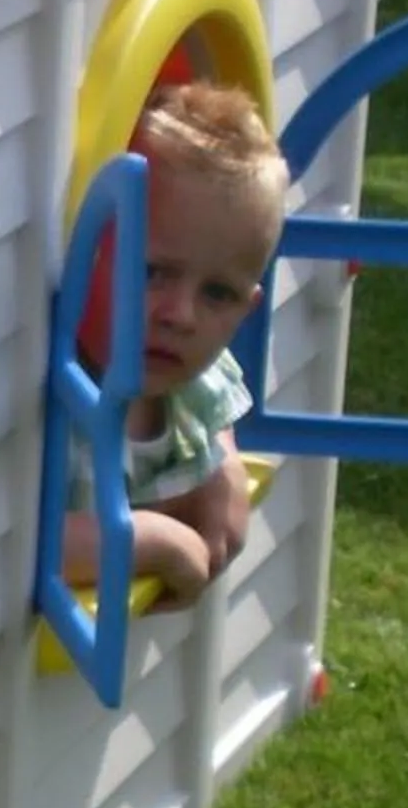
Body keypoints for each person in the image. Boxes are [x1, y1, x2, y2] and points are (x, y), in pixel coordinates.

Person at [61, 79, 291, 609]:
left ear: (248, 306)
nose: (181, 316)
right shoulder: (62, 402)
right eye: (153, 272)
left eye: (218, 293)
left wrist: (227, 472)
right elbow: (25, 546)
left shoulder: (194, 380)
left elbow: (217, 424)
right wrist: (153, 543)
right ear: (92, 253)